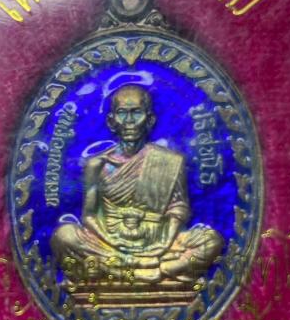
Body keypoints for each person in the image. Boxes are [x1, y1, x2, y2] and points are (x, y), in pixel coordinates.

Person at [51, 85, 222, 287]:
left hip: (158, 240)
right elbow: (89, 216)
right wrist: (112, 242)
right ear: (111, 121)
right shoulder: (96, 165)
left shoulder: (170, 161)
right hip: (109, 242)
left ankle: (138, 270)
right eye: (122, 113)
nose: (129, 121)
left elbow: (179, 209)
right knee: (64, 236)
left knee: (210, 240)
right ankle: (147, 271)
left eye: (136, 112)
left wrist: (164, 244)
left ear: (150, 120)